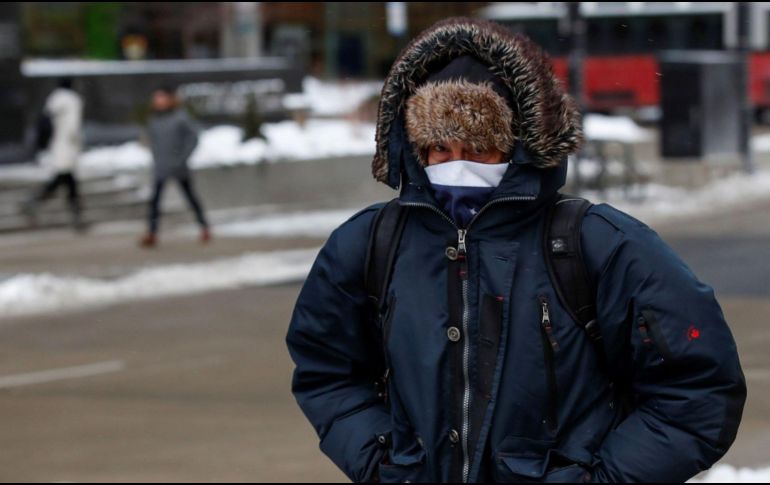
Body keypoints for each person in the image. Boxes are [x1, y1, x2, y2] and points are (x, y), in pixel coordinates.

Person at [286, 18, 746, 483]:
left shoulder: (597, 244)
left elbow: (697, 388)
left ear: (518, 146)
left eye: (478, 148)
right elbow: (327, 369)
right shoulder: (372, 243)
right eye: (440, 147)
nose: (457, 165)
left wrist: (603, 478)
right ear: (416, 149)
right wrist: (382, 463)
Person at [139, 86, 210, 247]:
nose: (158, 101)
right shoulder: (154, 119)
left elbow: (193, 137)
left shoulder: (180, 117)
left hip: (179, 166)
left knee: (190, 197)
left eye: (161, 97)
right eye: (156, 98)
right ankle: (152, 232)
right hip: (160, 166)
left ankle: (204, 227)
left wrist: (182, 157)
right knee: (155, 201)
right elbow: (150, 139)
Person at [23, 77, 84, 230]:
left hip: (56, 144)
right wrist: (77, 143)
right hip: (68, 145)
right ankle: (36, 201)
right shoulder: (73, 100)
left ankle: (75, 214)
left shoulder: (53, 99)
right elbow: (73, 127)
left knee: (67, 180)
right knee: (65, 179)